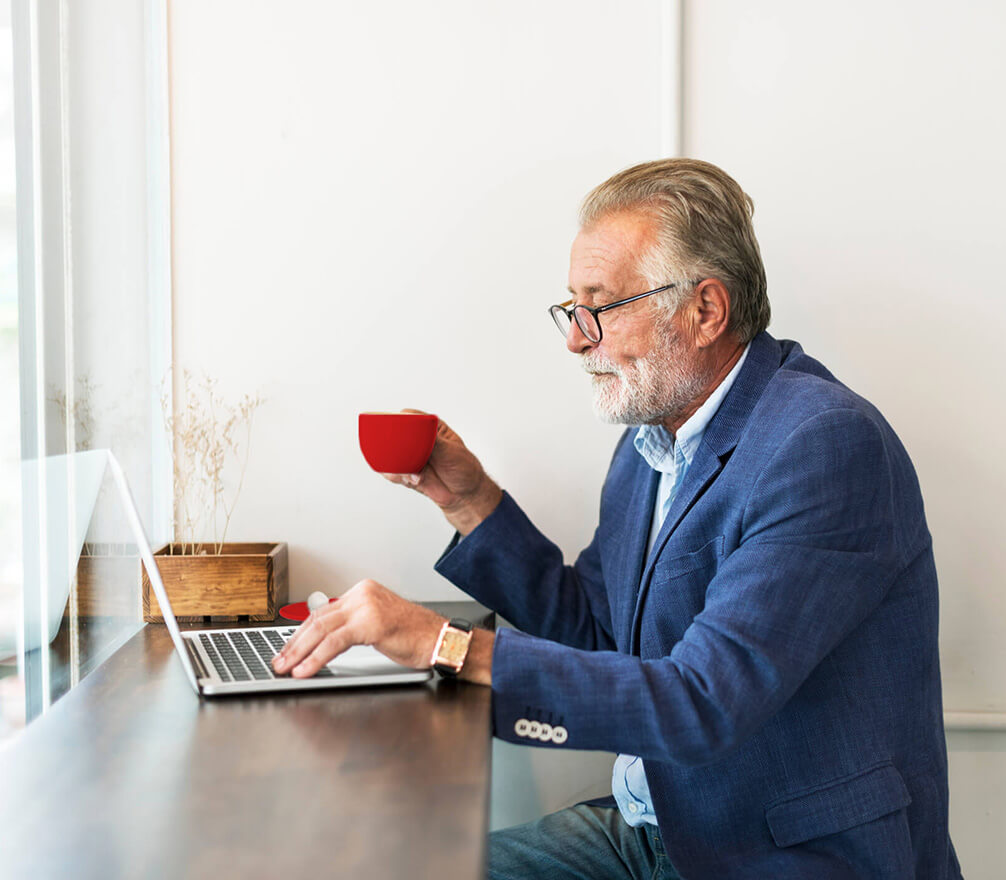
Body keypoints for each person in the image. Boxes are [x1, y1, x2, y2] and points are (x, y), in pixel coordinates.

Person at [273, 159, 963, 879]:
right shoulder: (652, 440)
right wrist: (469, 501)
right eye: (572, 308)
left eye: (599, 307)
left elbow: (703, 702)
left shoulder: (822, 444)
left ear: (705, 311)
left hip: (774, 859)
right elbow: (604, 632)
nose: (576, 339)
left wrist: (443, 646)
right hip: (656, 830)